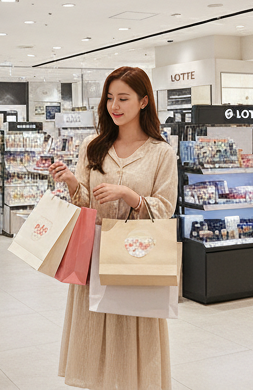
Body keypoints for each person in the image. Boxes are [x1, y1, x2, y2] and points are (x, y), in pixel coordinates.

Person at [49, 66, 177, 390]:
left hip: (137, 256)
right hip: (95, 255)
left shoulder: (161, 153)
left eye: (123, 98)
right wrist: (71, 183)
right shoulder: (93, 146)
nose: (114, 106)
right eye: (109, 98)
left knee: (134, 334)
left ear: (144, 101)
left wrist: (131, 197)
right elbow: (86, 206)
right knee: (94, 337)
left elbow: (165, 208)